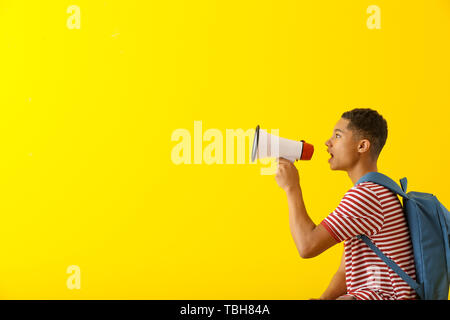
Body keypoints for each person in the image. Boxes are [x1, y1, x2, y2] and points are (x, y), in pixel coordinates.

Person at [275, 108, 417, 300]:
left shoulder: (366, 196)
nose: (328, 142)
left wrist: (292, 188)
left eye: (338, 136)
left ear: (362, 146)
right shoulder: (376, 189)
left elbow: (307, 246)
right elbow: (345, 272)